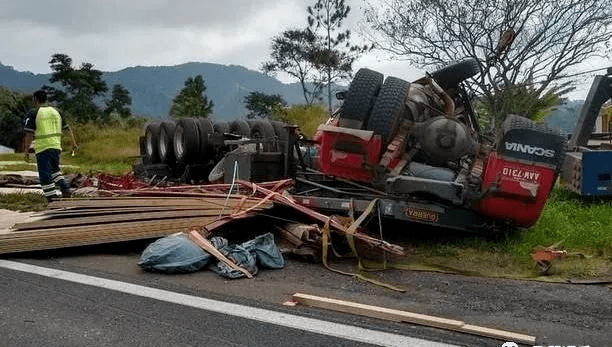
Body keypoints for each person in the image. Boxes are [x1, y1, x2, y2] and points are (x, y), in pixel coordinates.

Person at [23, 90, 77, 201]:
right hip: (56, 147)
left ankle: (52, 198)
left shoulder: (34, 113)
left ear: (35, 100)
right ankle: (65, 190)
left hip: (43, 147)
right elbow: (68, 129)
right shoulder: (57, 111)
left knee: (45, 174)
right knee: (55, 171)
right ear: (46, 99)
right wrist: (73, 143)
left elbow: (29, 133)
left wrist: (26, 150)